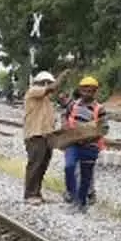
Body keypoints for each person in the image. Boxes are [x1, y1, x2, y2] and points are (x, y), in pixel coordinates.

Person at [22, 69, 69, 204]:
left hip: (46, 136)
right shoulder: (33, 91)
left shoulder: (46, 101)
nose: (48, 85)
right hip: (35, 135)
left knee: (42, 165)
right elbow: (52, 88)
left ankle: (36, 192)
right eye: (46, 83)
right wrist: (61, 77)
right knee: (35, 164)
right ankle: (29, 194)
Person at [63, 76, 108, 213]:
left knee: (86, 176)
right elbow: (65, 116)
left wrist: (89, 137)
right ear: (80, 90)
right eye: (85, 90)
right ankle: (71, 193)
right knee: (69, 167)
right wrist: (64, 126)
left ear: (95, 92)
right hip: (73, 143)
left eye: (91, 91)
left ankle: (81, 203)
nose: (87, 93)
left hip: (90, 146)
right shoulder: (73, 105)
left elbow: (104, 128)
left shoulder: (100, 109)